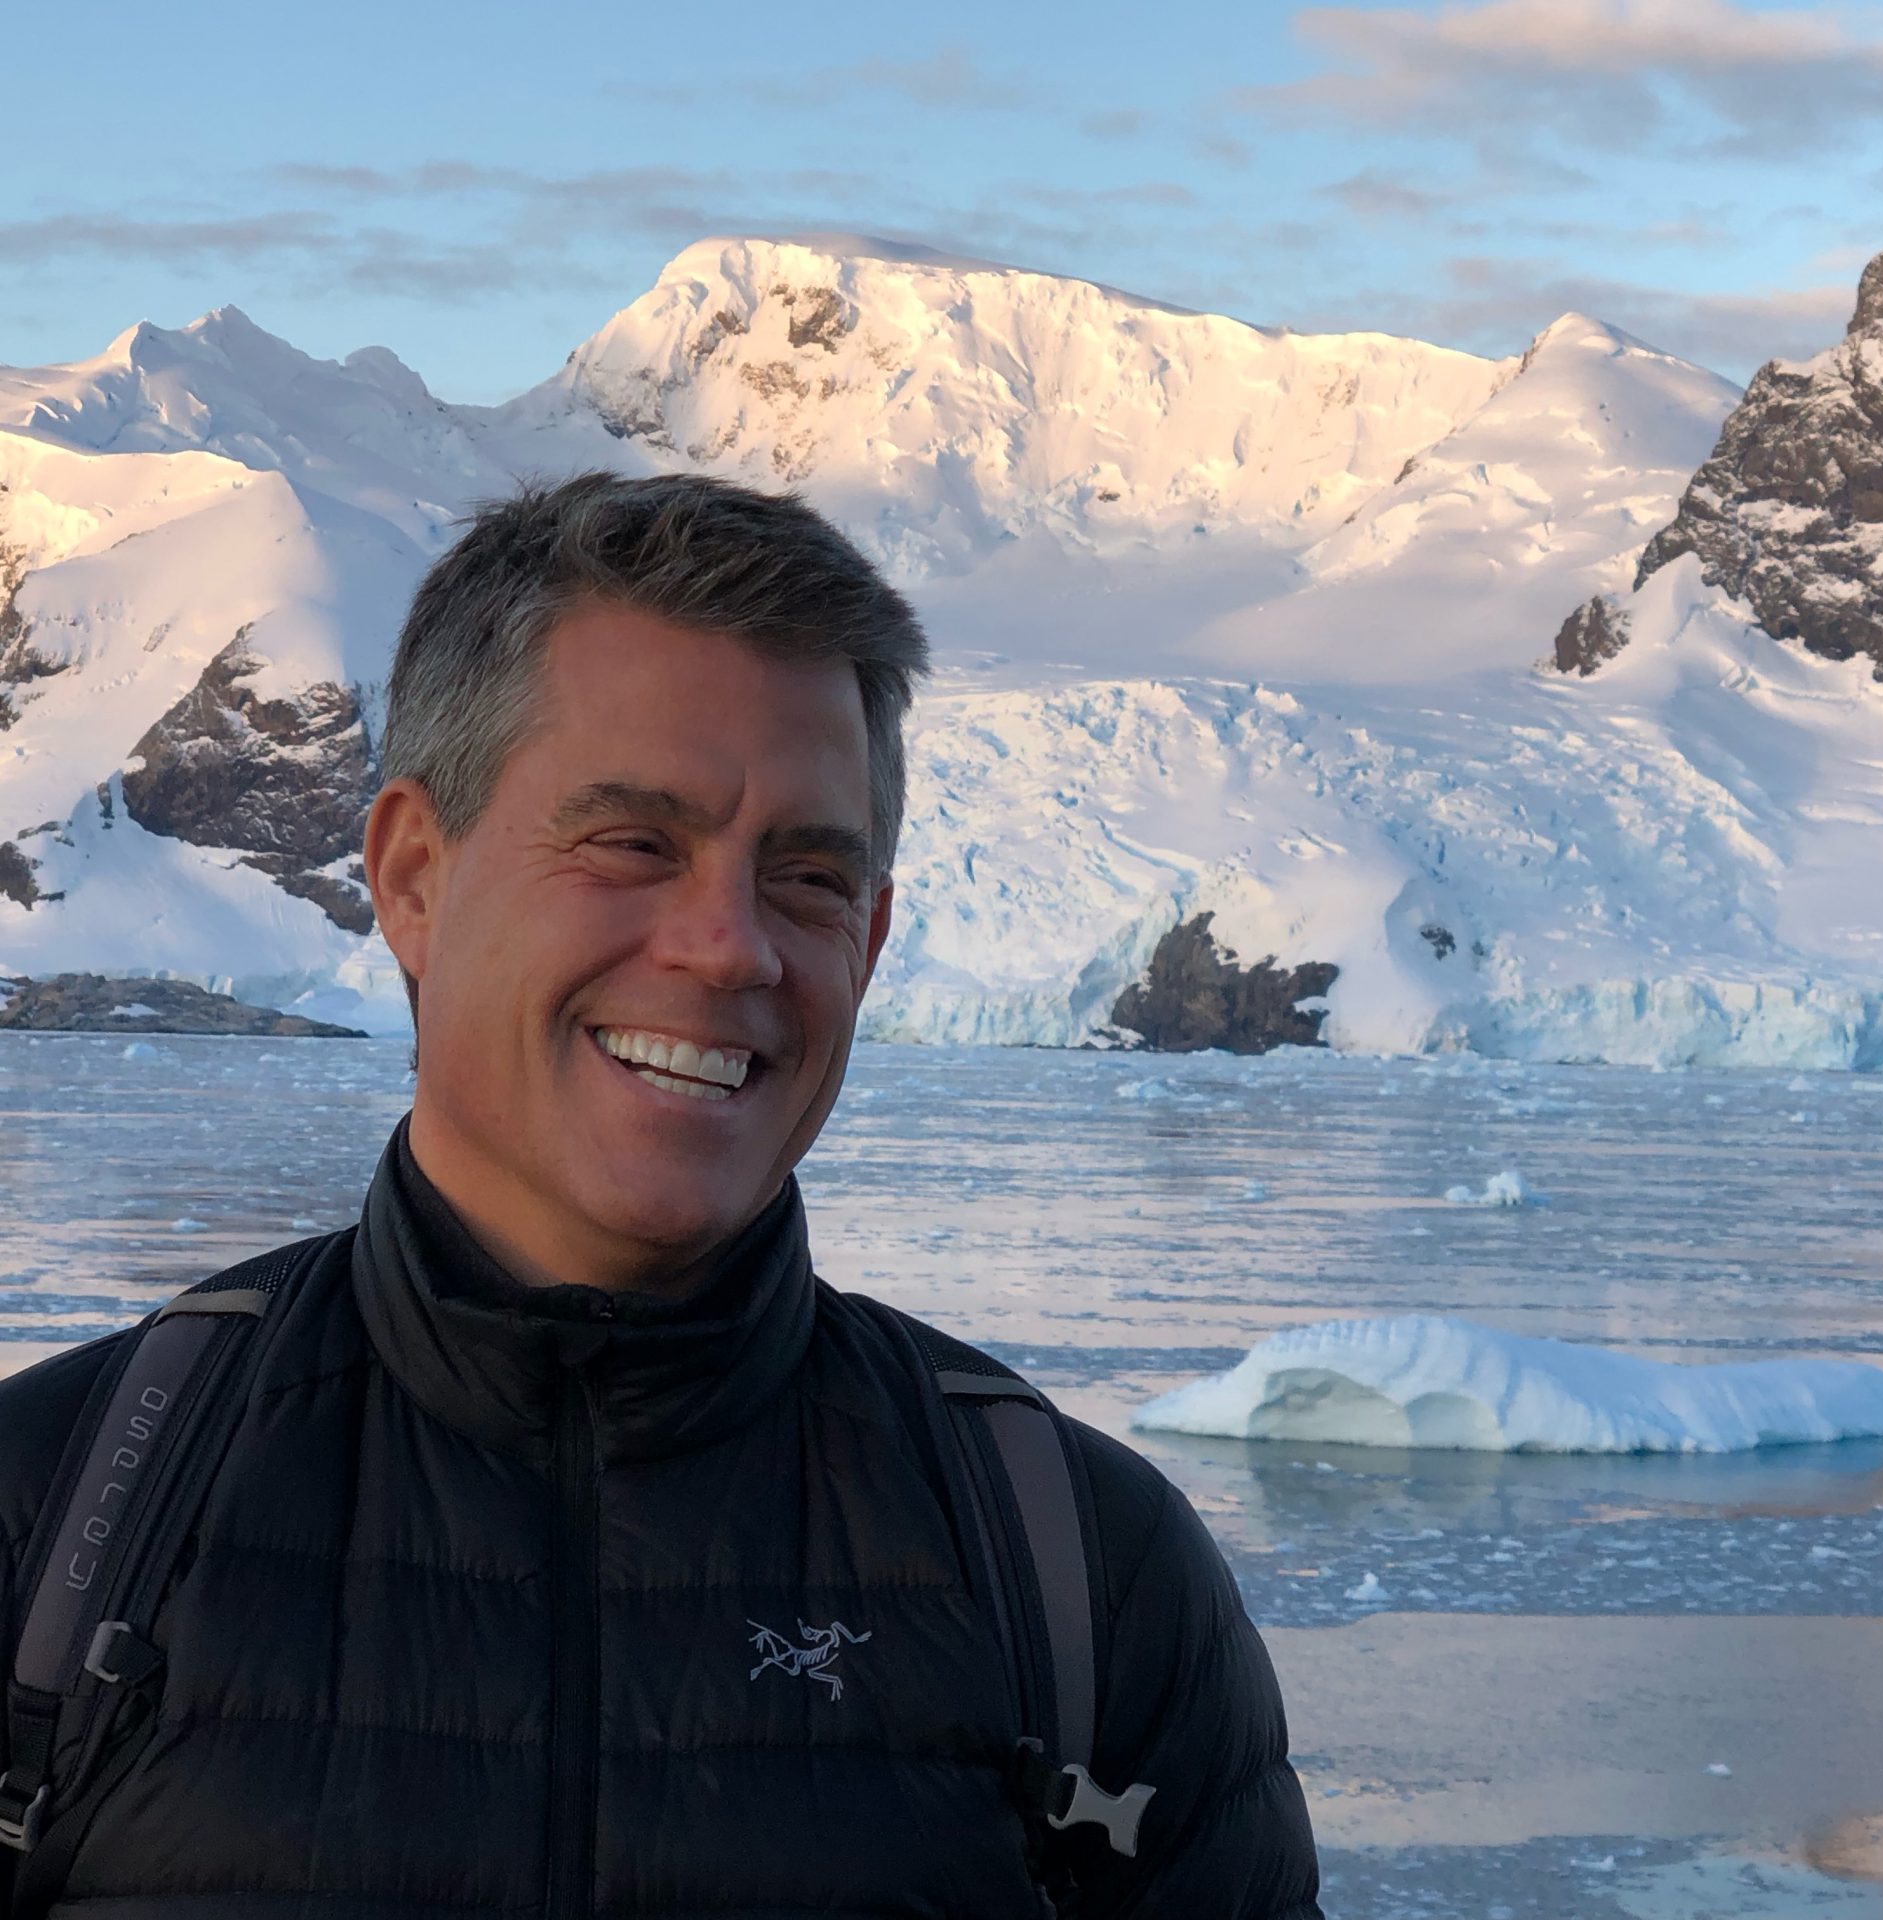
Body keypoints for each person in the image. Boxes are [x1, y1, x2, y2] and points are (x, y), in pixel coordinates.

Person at [0, 472, 1323, 1916]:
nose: (729, 946)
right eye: (633, 843)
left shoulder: (1089, 1586)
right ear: (412, 878)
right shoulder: (53, 1528)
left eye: (808, 877)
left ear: (872, 940)